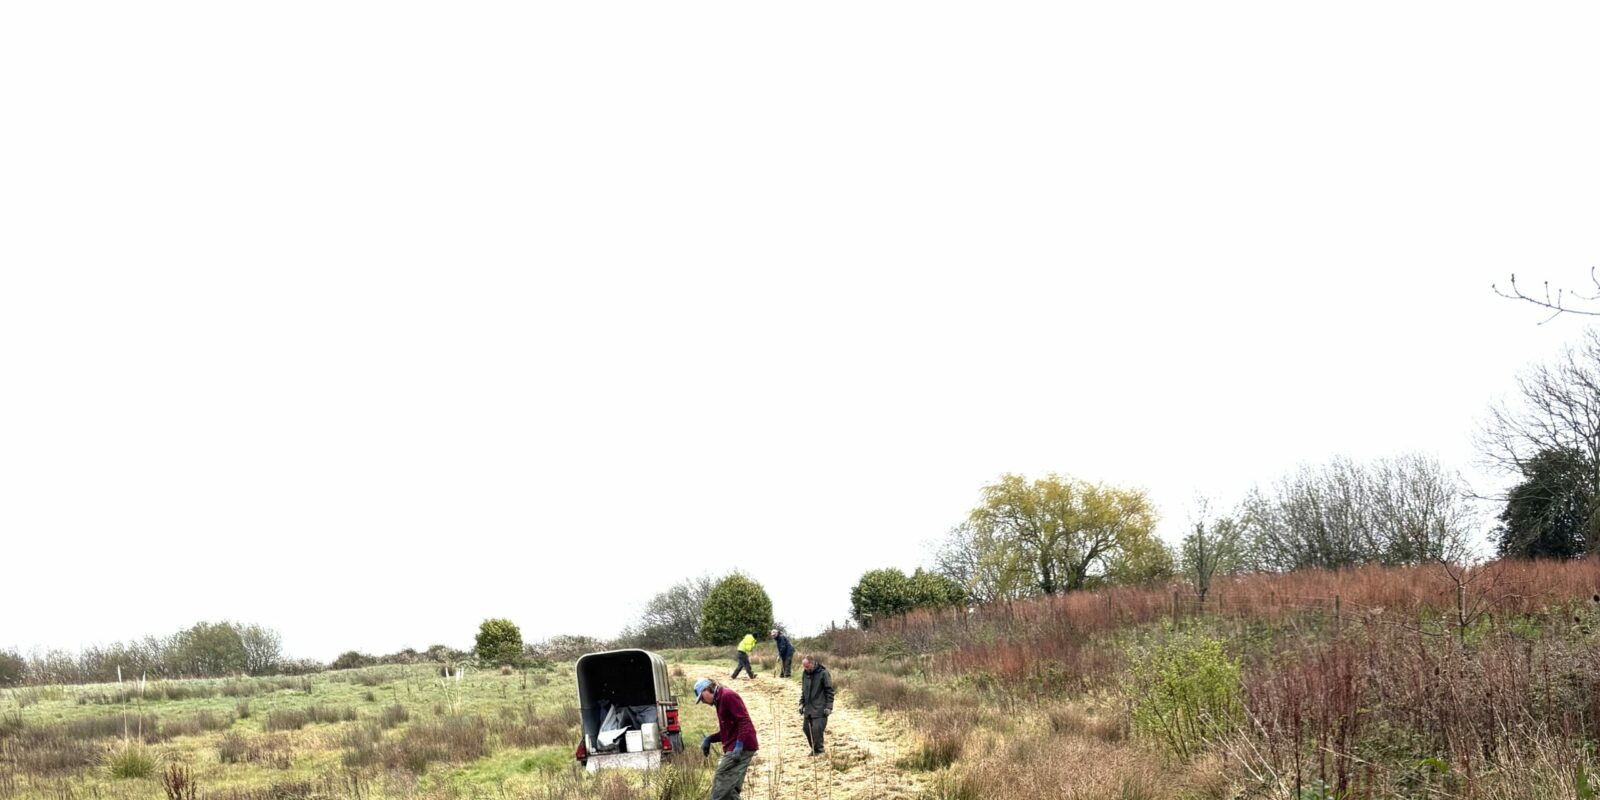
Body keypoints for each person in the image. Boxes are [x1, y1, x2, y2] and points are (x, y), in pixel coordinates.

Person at [695, 678, 759, 799]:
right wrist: (709, 739)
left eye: (702, 697)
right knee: (730, 791)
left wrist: (739, 745)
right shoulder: (719, 701)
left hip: (742, 747)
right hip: (735, 746)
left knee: (721, 778)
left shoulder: (727, 696)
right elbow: (726, 732)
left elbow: (744, 721)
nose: (702, 701)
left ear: (707, 689)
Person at [798, 656, 833, 756]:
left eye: (807, 666)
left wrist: (829, 707)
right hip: (808, 708)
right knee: (806, 728)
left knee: (817, 730)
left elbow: (829, 691)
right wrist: (801, 704)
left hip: (820, 707)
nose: (806, 669)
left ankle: (820, 751)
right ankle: (814, 749)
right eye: (804, 667)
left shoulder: (823, 673)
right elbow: (803, 691)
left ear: (812, 664)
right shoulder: (805, 673)